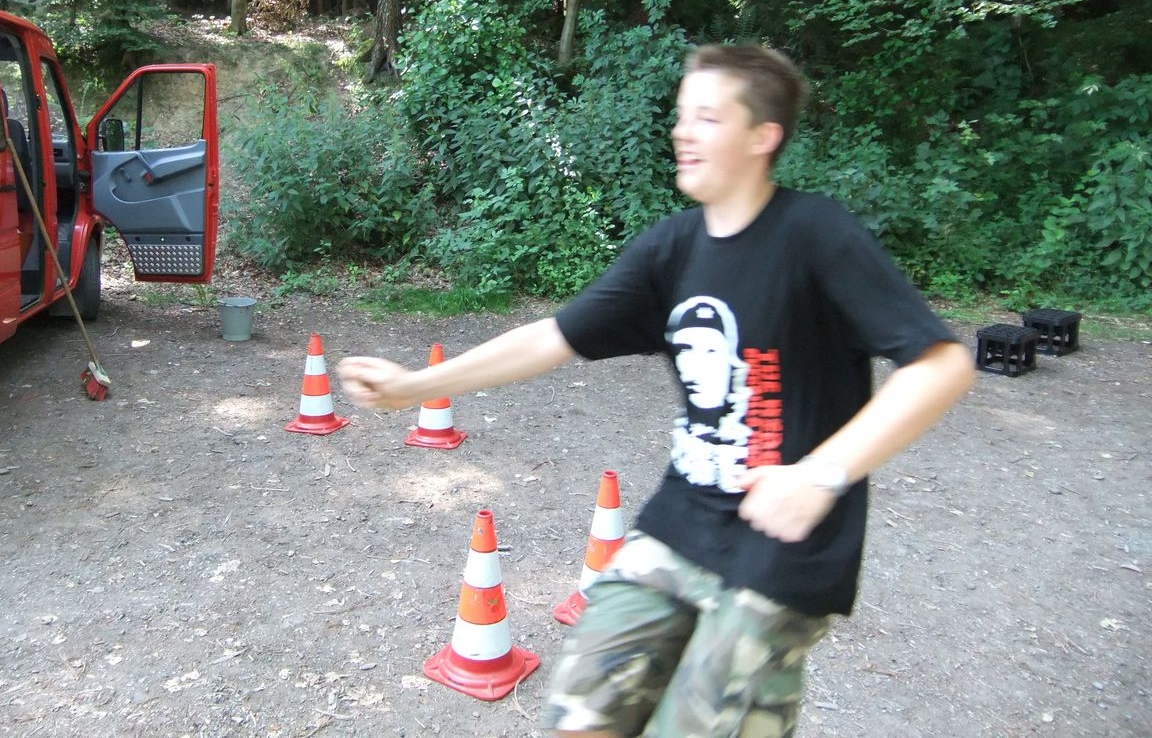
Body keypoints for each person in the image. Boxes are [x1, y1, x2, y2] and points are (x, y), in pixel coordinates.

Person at [337, 43, 976, 738]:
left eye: (707, 117)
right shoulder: (672, 249)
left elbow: (941, 364)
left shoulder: (814, 235)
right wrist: (416, 386)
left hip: (783, 552)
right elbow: (553, 337)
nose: (681, 132)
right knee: (580, 715)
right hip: (680, 526)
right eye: (681, 115)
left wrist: (822, 474)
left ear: (762, 137)